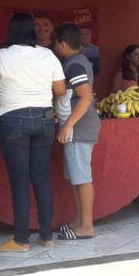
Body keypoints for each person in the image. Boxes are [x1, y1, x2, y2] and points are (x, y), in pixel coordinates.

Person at [0, 13, 67, 252]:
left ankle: (21, 240)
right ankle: (46, 236)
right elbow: (61, 90)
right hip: (45, 118)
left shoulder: (2, 55)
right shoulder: (47, 55)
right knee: (41, 177)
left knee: (20, 181)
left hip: (13, 119)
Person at [53, 23, 101, 240]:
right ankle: (80, 220)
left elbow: (86, 97)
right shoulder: (77, 62)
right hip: (77, 128)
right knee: (75, 175)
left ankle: (87, 226)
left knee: (82, 177)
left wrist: (68, 124)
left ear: (63, 44)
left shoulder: (74, 66)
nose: (55, 47)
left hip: (79, 128)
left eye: (56, 43)